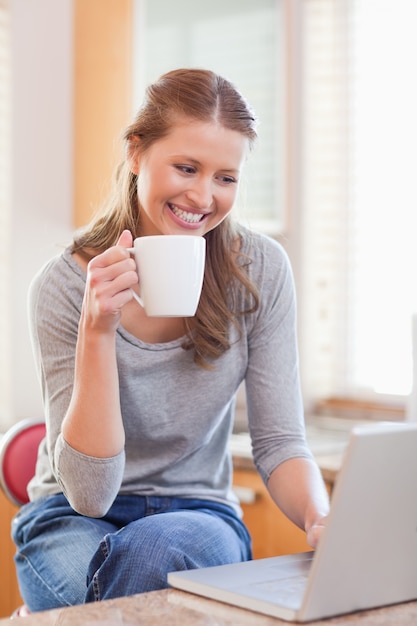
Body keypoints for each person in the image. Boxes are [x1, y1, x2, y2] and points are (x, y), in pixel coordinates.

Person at [12, 68, 329, 612]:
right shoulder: (64, 286)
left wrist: (321, 519)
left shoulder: (260, 270)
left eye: (226, 177)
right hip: (71, 518)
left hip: (200, 515)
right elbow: (89, 494)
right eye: (187, 167)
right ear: (136, 152)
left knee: (147, 552)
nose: (203, 195)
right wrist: (97, 330)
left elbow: (280, 443)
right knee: (144, 575)